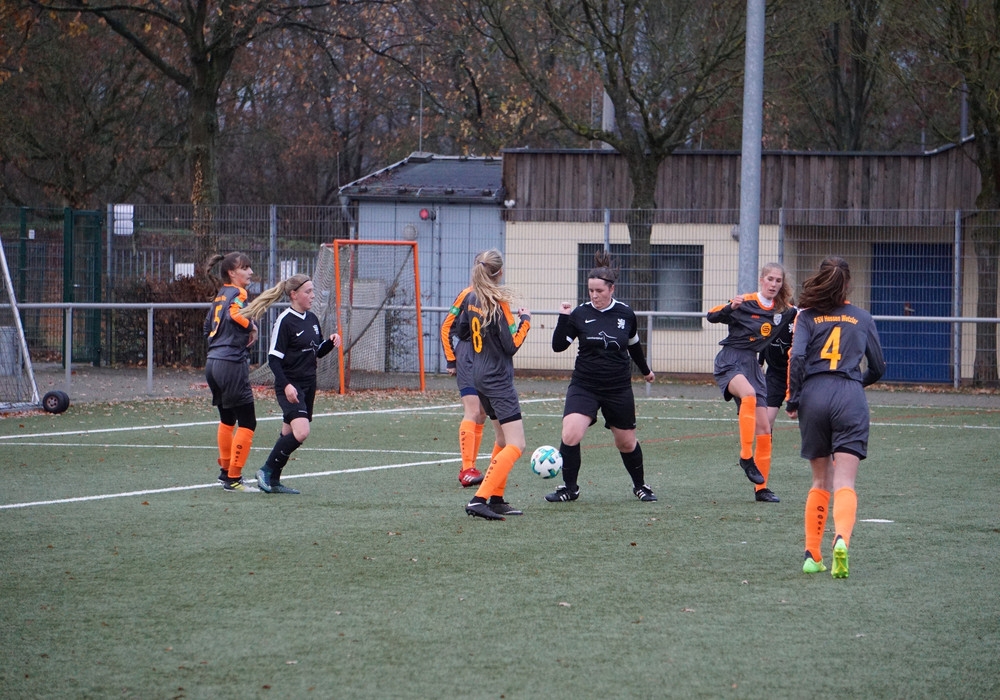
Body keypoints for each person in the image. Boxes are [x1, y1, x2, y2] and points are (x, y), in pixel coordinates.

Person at [786, 256, 885, 578]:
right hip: (849, 394)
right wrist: (854, 384)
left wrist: (794, 398)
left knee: (820, 480)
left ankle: (812, 555)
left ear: (820, 279)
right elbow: (878, 367)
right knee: (845, 481)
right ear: (848, 283)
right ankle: (841, 538)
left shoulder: (806, 317)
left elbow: (797, 357)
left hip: (814, 394)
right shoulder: (862, 317)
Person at [544, 250, 657, 504]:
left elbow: (633, 346)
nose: (594, 295)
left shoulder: (625, 314)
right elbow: (558, 346)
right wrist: (563, 318)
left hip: (618, 387)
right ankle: (570, 488)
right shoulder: (580, 314)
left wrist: (646, 371)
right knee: (570, 434)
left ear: (611, 289)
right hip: (585, 385)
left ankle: (640, 486)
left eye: (599, 291)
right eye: (590, 291)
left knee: (626, 443)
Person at [239, 273, 342, 494]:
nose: (312, 295)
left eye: (313, 291)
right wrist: (286, 385)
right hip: (290, 385)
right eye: (308, 291)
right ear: (294, 294)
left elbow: (317, 351)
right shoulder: (284, 321)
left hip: (308, 384)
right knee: (302, 431)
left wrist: (330, 342)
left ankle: (274, 480)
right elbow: (274, 359)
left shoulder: (312, 319)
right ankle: (265, 470)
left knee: (288, 433)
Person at [707, 262, 794, 502]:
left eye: (778, 280)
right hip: (731, 360)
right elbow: (711, 315)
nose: (773, 284)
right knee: (749, 394)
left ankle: (761, 489)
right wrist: (729, 307)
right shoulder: (744, 302)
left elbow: (805, 314)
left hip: (752, 366)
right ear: (761, 280)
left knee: (764, 429)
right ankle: (746, 456)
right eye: (770, 279)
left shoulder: (784, 311)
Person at [457, 249, 531, 520]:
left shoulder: (471, 298)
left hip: (479, 375)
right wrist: (525, 322)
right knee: (517, 444)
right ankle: (479, 499)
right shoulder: (498, 304)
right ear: (499, 273)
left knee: (501, 439)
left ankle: (497, 499)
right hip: (498, 380)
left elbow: (462, 331)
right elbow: (511, 346)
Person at [204, 252, 260, 492]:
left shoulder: (220, 295)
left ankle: (225, 471)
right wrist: (252, 327)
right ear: (231, 273)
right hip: (230, 364)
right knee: (248, 421)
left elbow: (207, 328)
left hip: (213, 362)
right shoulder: (238, 293)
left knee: (227, 419)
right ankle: (234, 478)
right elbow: (235, 315)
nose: (250, 272)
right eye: (245, 268)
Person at [440, 286, 488, 487]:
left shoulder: (495, 295)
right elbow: (446, 326)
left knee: (483, 413)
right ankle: (467, 468)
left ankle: (470, 467)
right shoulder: (467, 294)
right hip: (468, 355)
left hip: (487, 357)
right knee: (473, 410)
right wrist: (451, 359)